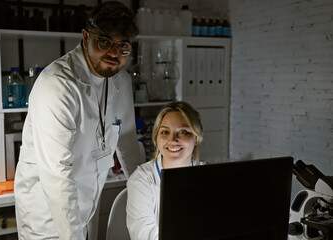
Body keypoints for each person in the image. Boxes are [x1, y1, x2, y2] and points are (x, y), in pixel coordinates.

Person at [14, 1, 144, 239]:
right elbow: (57, 173)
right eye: (104, 41)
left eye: (123, 46)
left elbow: (126, 139)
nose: (114, 53)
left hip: (87, 204)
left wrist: (144, 192)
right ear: (86, 37)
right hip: (46, 215)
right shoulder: (57, 84)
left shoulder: (120, 80)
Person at [126, 101, 204, 240]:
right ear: (156, 138)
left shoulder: (208, 176)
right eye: (165, 132)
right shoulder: (141, 181)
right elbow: (144, 236)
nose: (172, 139)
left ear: (196, 138)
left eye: (183, 132)